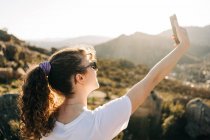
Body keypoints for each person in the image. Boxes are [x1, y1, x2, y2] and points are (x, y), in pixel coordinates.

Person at [18, 20, 190, 140]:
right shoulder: (97, 125)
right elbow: (151, 80)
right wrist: (182, 47)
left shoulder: (45, 124)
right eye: (91, 65)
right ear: (79, 78)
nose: (96, 68)